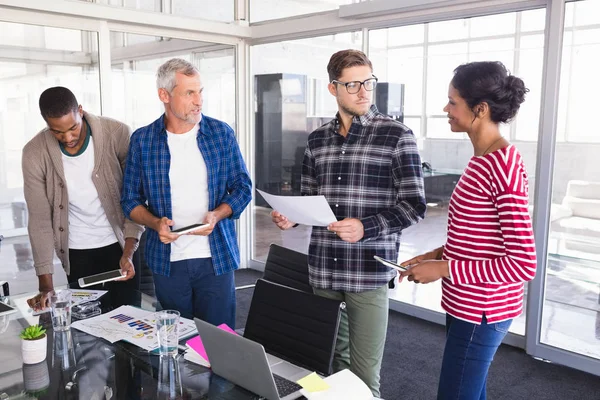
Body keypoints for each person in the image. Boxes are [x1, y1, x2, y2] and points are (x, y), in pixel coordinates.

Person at [272, 49, 426, 397]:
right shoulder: (316, 140)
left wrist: (365, 227)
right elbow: (308, 199)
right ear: (333, 88)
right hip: (324, 268)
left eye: (368, 82)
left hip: (367, 271)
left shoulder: (397, 136)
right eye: (353, 84)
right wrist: (290, 219)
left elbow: (414, 206)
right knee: (333, 365)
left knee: (365, 373)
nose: (363, 91)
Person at [399, 61, 537, 400]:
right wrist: (434, 255)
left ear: (481, 109)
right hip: (466, 304)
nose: (446, 109)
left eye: (453, 101)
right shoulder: (482, 160)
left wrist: (443, 269)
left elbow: (523, 262)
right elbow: (479, 235)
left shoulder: (501, 165)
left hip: (482, 310)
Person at [121, 58, 251, 329]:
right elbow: (130, 200)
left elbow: (242, 187)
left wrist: (218, 213)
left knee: (220, 341)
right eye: (189, 93)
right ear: (164, 95)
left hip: (216, 257)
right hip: (168, 261)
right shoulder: (143, 141)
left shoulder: (220, 134)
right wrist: (156, 223)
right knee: (176, 342)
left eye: (200, 91)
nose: (198, 100)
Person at [23, 87, 144, 311]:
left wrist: (129, 251)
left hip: (122, 245)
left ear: (80, 110)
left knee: (129, 321)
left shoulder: (116, 133)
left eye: (73, 128)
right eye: (57, 132)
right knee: (86, 329)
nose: (67, 138)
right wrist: (45, 285)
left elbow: (134, 197)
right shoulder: (34, 153)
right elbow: (39, 221)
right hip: (78, 254)